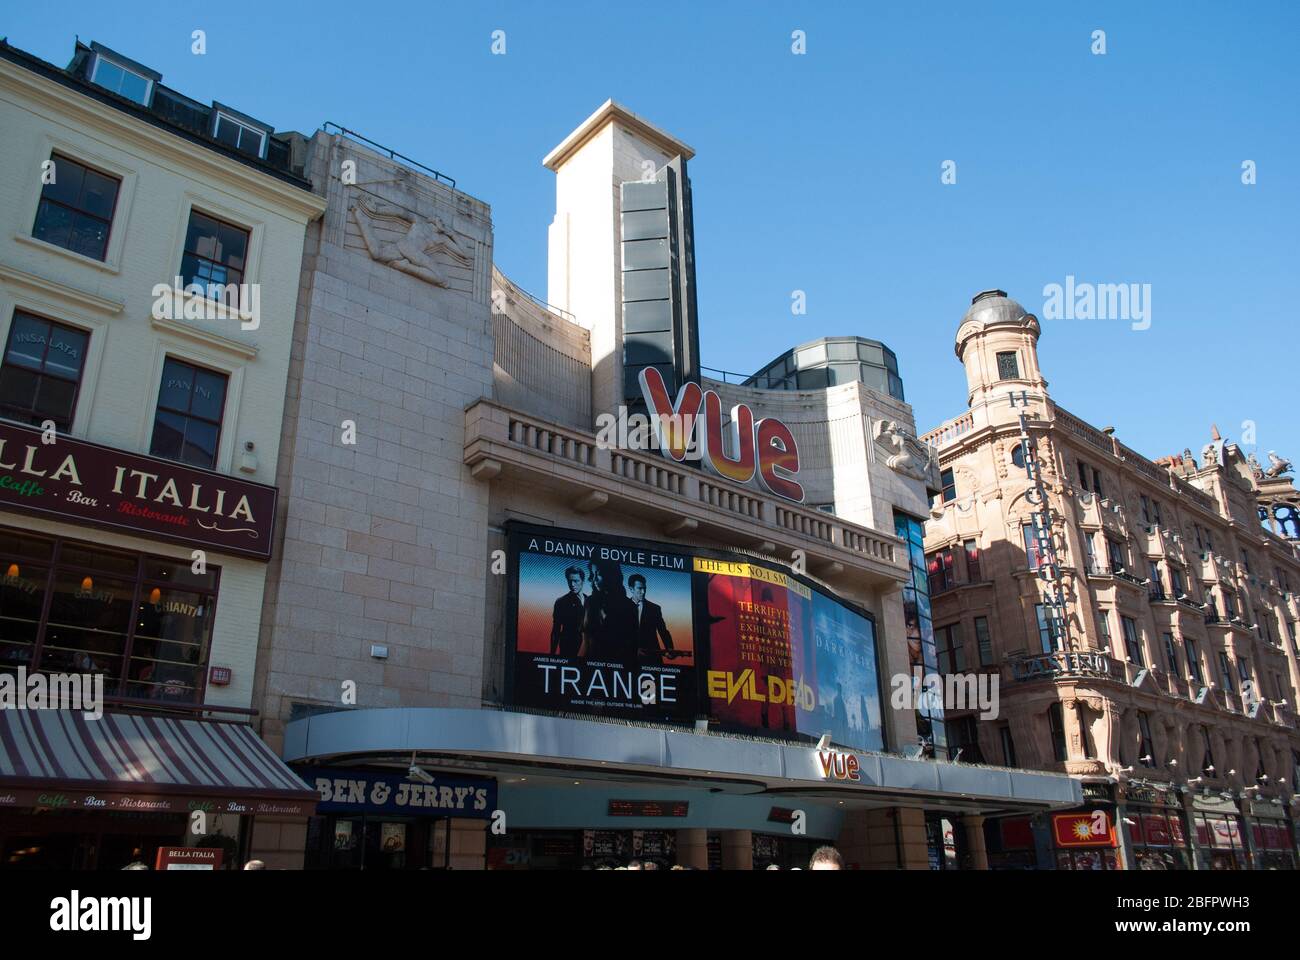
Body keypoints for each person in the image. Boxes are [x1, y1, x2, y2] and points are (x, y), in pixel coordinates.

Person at [628, 574, 674, 665]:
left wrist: (670, 648)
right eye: (640, 588)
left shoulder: (654, 608)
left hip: (651, 657)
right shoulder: (622, 607)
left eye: (645, 588)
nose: (643, 591)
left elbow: (663, 631)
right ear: (631, 589)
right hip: (628, 657)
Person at [550, 566, 588, 657]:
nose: (572, 585)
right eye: (569, 581)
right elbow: (556, 630)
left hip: (588, 649)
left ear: (582, 581)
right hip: (568, 648)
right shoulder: (561, 602)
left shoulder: (590, 601)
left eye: (576, 581)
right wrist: (551, 655)